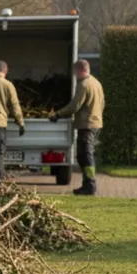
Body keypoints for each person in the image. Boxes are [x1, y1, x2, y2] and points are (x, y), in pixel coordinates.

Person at [51, 59, 105, 195]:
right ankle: (87, 183)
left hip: (87, 124)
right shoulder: (96, 83)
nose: (74, 75)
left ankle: (90, 184)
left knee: (85, 155)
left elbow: (75, 106)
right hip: (95, 123)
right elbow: (102, 103)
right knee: (84, 155)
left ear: (78, 70)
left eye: (75, 72)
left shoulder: (83, 85)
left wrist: (57, 114)